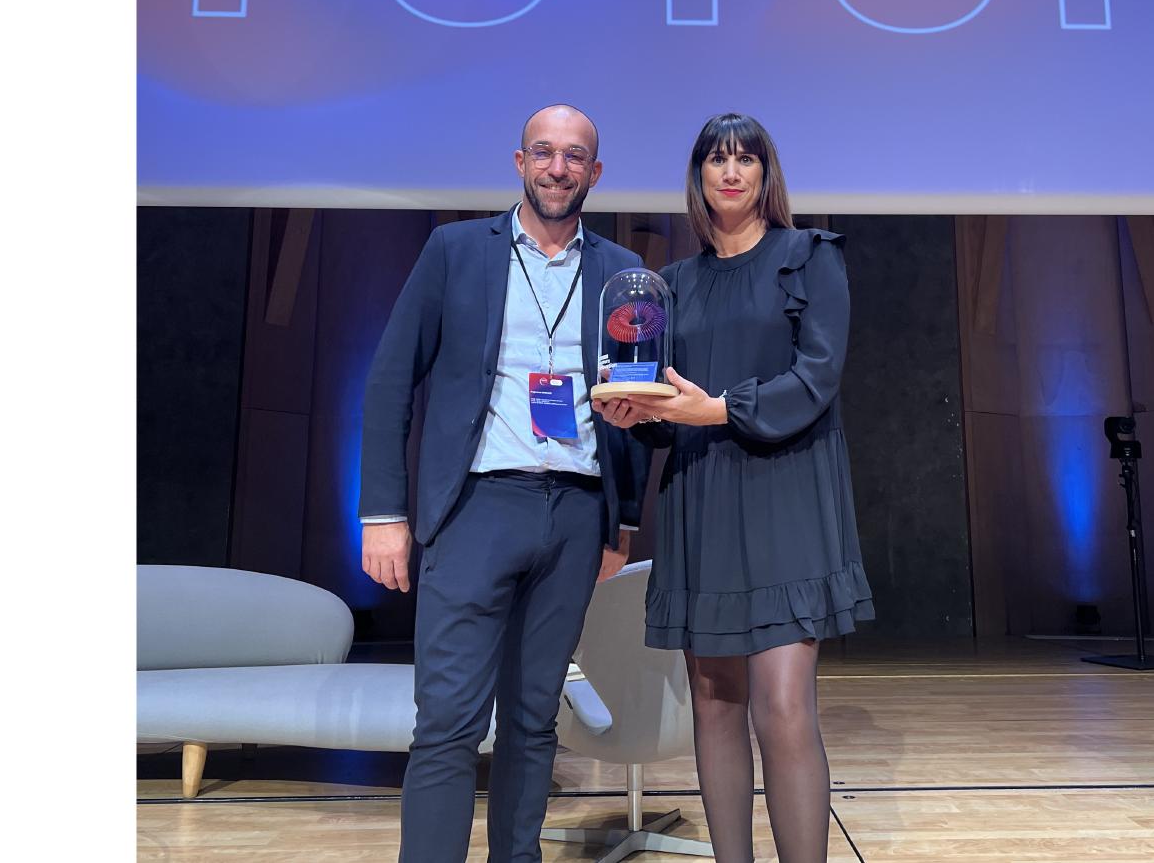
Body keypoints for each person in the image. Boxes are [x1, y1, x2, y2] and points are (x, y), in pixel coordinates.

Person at [358, 104, 650, 863]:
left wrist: (622, 525)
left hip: (577, 515)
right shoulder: (456, 251)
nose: (560, 167)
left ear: (596, 171)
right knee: (449, 720)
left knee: (532, 720)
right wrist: (383, 513)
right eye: (545, 153)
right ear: (519, 162)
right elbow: (391, 380)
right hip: (476, 509)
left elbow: (642, 409)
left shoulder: (623, 273)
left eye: (575, 156)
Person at [595, 112, 875, 863]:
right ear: (698, 177)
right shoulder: (672, 285)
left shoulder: (809, 256)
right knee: (716, 707)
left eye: (745, 158)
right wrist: (635, 413)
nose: (730, 170)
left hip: (788, 495)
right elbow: (666, 412)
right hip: (704, 498)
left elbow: (815, 378)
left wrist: (718, 408)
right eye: (715, 159)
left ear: (764, 173)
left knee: (783, 707)